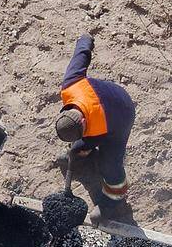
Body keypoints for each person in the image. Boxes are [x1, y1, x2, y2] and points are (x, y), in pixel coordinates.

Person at [57, 33, 137, 208]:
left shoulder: (99, 126)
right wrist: (84, 40)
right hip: (108, 96)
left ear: (85, 124)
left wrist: (80, 147)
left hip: (121, 116)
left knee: (110, 163)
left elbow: (91, 138)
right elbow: (81, 55)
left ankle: (115, 202)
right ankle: (83, 156)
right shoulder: (70, 85)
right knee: (79, 147)